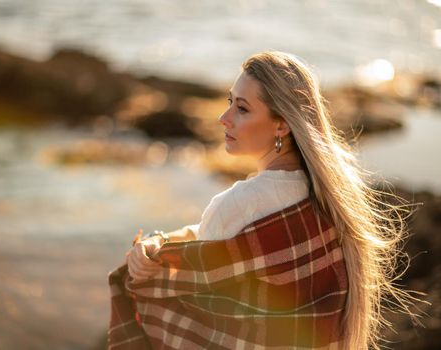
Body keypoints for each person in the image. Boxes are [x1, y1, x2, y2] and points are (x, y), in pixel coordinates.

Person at [116, 51, 422, 350]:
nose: (224, 119)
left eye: (243, 109)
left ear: (282, 124)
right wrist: (161, 242)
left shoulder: (238, 204)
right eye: (229, 103)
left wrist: (148, 254)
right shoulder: (329, 198)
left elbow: (185, 279)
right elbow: (216, 235)